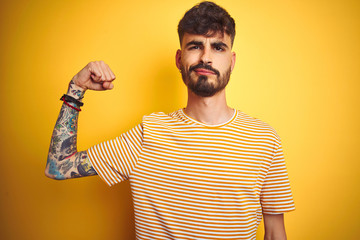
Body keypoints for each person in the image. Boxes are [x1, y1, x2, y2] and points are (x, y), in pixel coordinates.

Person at [45, 1, 295, 239]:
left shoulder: (264, 139)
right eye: (195, 46)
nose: (206, 58)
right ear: (179, 59)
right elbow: (57, 166)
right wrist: (75, 88)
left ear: (231, 61)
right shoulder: (148, 134)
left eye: (218, 47)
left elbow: (274, 234)